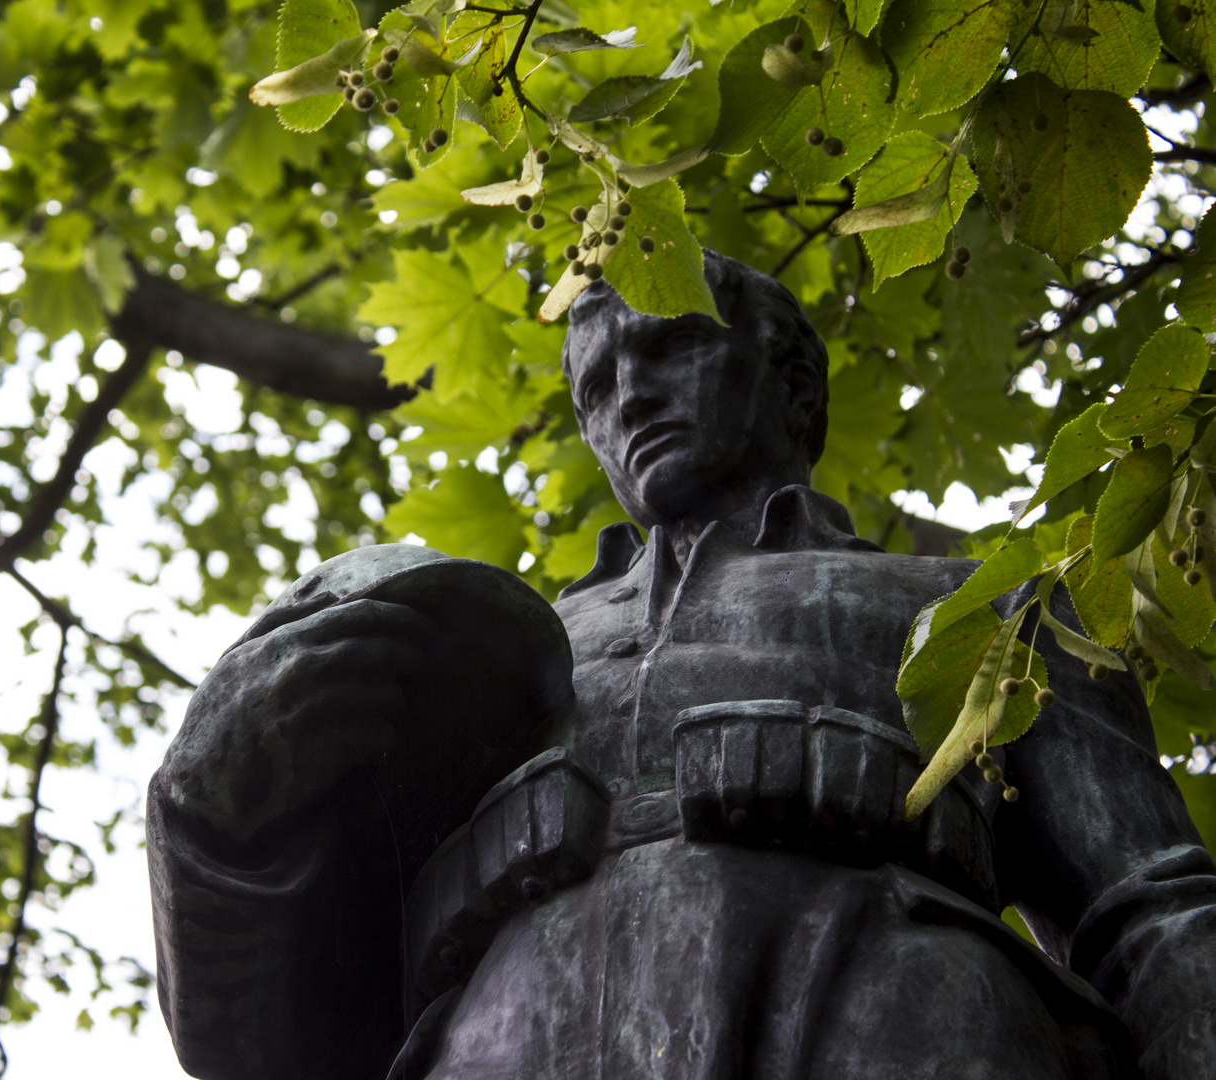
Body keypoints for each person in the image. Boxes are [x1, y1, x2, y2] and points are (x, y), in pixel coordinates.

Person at [147, 253, 1216, 1080]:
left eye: (670, 350)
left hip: (891, 1008)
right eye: (598, 385)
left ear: (791, 379)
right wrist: (211, 805)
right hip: (514, 1036)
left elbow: (1150, 905)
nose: (631, 399)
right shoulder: (483, 670)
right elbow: (277, 1035)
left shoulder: (982, 604)